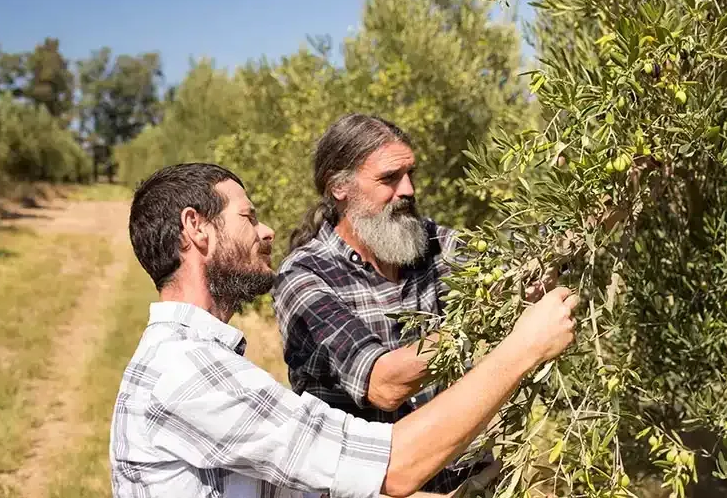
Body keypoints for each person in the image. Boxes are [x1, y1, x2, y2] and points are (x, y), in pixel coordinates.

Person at [110, 162, 578, 498]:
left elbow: (312, 481)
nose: (267, 230)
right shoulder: (189, 372)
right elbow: (393, 465)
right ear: (197, 228)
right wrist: (523, 347)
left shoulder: (196, 361)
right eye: (248, 217)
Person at [273, 114, 557, 494]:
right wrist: (517, 341)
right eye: (389, 178)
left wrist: (606, 199)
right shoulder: (305, 275)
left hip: (465, 482)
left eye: (410, 174)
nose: (407, 189)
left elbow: (517, 265)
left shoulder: (431, 242)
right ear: (340, 187)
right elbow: (385, 383)